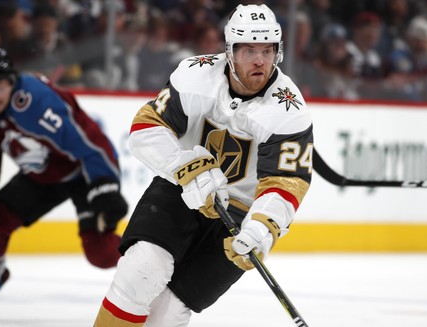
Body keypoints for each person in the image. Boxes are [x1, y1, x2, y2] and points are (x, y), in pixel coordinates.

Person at [94, 4, 313, 326]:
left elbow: (286, 180)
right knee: (140, 271)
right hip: (181, 190)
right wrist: (186, 166)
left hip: (239, 214)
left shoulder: (288, 109)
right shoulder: (195, 75)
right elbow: (146, 129)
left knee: (170, 312)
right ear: (229, 50)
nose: (259, 60)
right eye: (249, 50)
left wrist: (262, 227)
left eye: (268, 50)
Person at [0, 48, 128, 316]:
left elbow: (88, 142)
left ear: (11, 81)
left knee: (100, 253)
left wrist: (105, 184)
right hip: (43, 177)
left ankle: (153, 264)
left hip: (83, 170)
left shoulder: (36, 102)